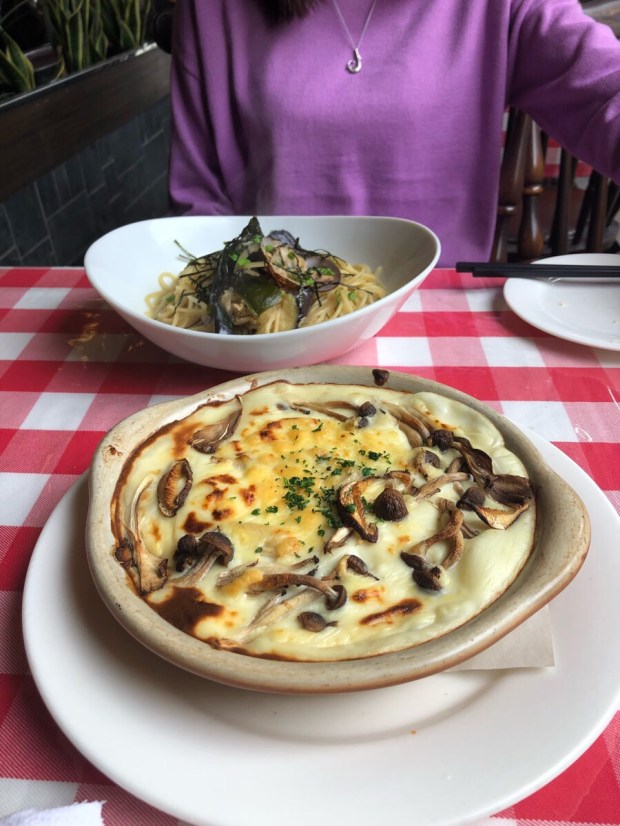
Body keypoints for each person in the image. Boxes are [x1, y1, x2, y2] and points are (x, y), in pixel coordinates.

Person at [167, 0, 620, 265]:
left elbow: (605, 89)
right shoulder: (211, 10)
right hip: (266, 320)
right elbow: (197, 201)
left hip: (439, 307)